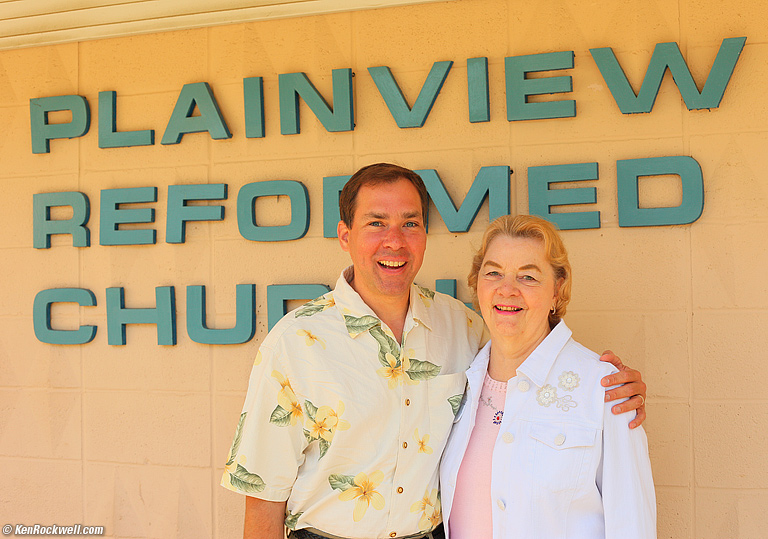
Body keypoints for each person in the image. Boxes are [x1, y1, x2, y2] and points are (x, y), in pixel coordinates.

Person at [221, 164, 648, 539]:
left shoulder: (462, 327)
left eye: (410, 223)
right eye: (376, 223)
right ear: (344, 236)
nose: (395, 240)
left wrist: (606, 385)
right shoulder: (295, 341)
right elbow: (262, 496)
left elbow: (528, 363)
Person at [439, 215, 656, 539]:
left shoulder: (604, 389)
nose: (507, 289)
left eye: (527, 277)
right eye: (494, 272)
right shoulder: (459, 382)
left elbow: (632, 526)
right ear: (477, 283)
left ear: (557, 291)